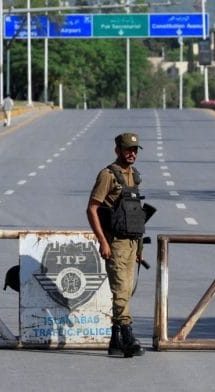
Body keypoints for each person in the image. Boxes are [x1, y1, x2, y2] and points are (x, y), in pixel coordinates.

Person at [87, 132, 146, 358]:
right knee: (121, 290)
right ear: (117, 150)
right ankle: (128, 336)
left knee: (126, 291)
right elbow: (92, 208)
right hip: (116, 243)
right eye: (127, 149)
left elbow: (134, 213)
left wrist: (139, 249)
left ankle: (115, 340)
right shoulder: (108, 175)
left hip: (132, 242)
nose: (131, 154)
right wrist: (103, 241)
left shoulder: (135, 176)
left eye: (135, 150)